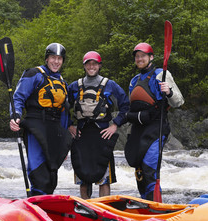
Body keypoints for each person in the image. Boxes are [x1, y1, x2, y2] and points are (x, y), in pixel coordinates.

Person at [10, 43, 75, 196]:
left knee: (52, 173)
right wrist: (15, 115)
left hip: (54, 128)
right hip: (36, 125)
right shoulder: (34, 74)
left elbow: (64, 112)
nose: (56, 62)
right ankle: (35, 201)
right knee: (38, 169)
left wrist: (64, 143)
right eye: (53, 58)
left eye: (59, 59)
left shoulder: (62, 82)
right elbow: (18, 98)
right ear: (47, 59)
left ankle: (46, 205)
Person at [124, 42, 184, 200]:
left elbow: (178, 102)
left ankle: (155, 206)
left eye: (143, 56)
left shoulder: (161, 74)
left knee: (149, 168)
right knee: (139, 171)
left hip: (156, 128)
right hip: (138, 128)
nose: (139, 59)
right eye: (137, 57)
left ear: (150, 57)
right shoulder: (134, 80)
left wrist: (169, 91)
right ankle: (145, 203)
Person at [68, 51, 129, 199]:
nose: (91, 66)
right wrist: (70, 125)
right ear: (84, 66)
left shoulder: (110, 85)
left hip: (103, 134)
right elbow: (62, 108)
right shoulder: (74, 86)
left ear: (99, 65)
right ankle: (85, 207)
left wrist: (115, 125)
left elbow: (126, 106)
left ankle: (104, 209)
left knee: (104, 178)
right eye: (88, 64)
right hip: (81, 135)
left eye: (94, 64)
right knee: (83, 174)